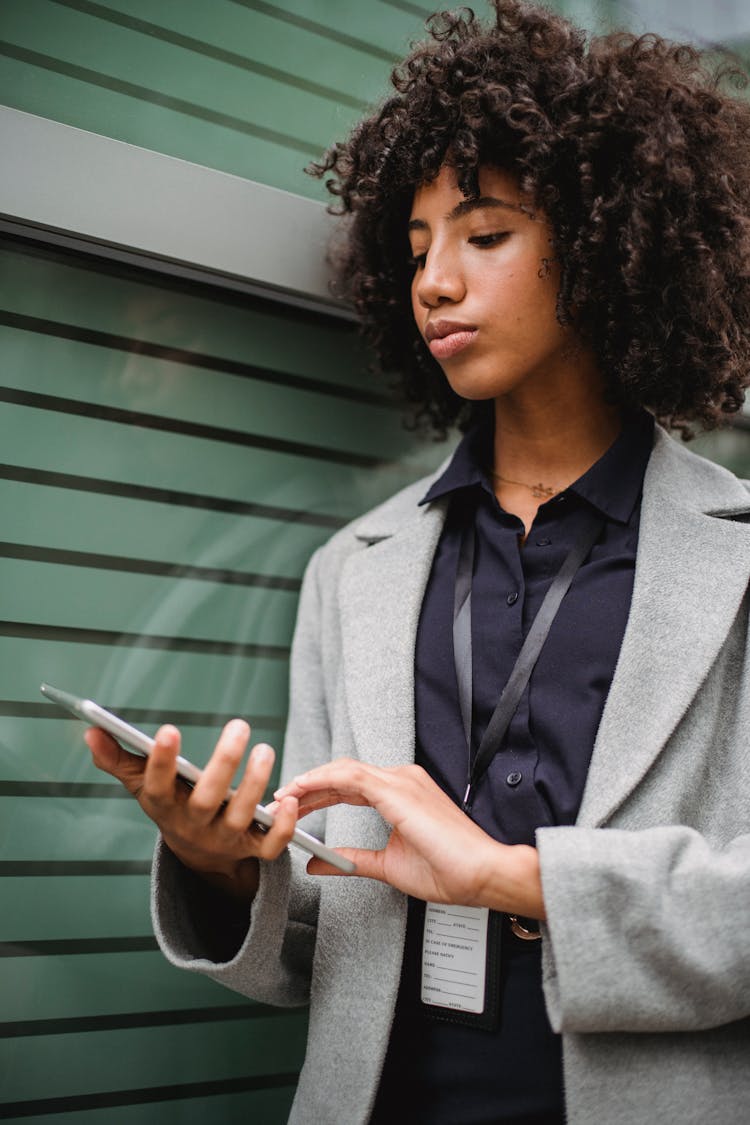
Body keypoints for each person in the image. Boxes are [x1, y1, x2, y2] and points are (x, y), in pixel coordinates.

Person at [85, 3, 750, 1122]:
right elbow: (320, 942)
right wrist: (225, 867)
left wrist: (510, 878)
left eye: (484, 234)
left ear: (602, 242)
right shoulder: (356, 569)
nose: (435, 280)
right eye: (415, 248)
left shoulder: (735, 557)